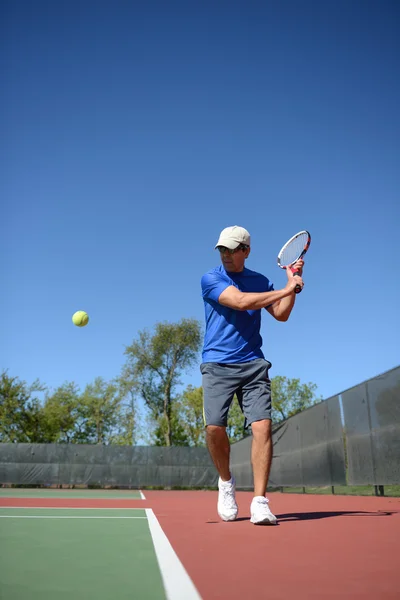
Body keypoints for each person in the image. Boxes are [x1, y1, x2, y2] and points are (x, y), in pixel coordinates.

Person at [200, 225, 304, 525]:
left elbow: (281, 314)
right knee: (214, 429)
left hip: (253, 364)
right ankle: (226, 483)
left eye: (233, 249)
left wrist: (292, 283)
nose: (227, 255)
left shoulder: (260, 280)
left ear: (246, 250)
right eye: (222, 249)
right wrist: (286, 288)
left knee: (262, 427)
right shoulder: (211, 278)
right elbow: (242, 302)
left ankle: (260, 501)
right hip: (217, 365)